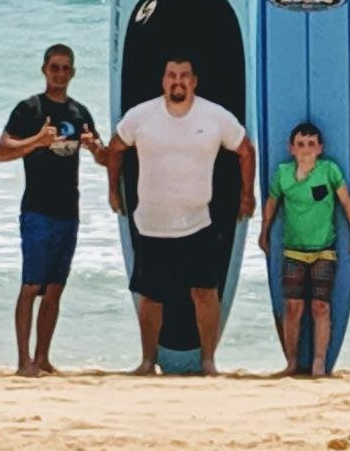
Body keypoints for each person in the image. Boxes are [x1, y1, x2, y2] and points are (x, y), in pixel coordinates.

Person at [105, 55, 255, 376]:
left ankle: (208, 362)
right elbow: (115, 148)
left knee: (204, 293)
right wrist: (114, 191)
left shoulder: (214, 116)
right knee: (151, 297)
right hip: (151, 224)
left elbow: (245, 150)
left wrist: (247, 195)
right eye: (171, 75)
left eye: (184, 76)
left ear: (194, 81)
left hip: (196, 223)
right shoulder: (142, 115)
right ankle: (147, 361)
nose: (178, 81)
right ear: (163, 81)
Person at [0, 44, 106, 377]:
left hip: (68, 211)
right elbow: (2, 152)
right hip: (37, 211)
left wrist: (94, 148)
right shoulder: (29, 109)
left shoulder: (79, 112)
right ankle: (23, 361)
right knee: (31, 287)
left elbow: (104, 157)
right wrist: (36, 142)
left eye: (65, 68)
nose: (59, 74)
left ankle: (42, 358)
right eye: (54, 67)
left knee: (55, 289)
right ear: (44, 69)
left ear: (72, 72)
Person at [258, 122, 350, 377]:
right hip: (293, 249)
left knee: (320, 306)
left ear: (320, 148)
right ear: (291, 148)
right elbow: (272, 205)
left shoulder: (329, 170)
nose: (306, 149)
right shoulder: (283, 173)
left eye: (311, 144)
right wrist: (264, 233)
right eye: (301, 144)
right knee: (293, 307)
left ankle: (318, 363)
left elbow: (346, 202)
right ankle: (292, 363)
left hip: (324, 249)